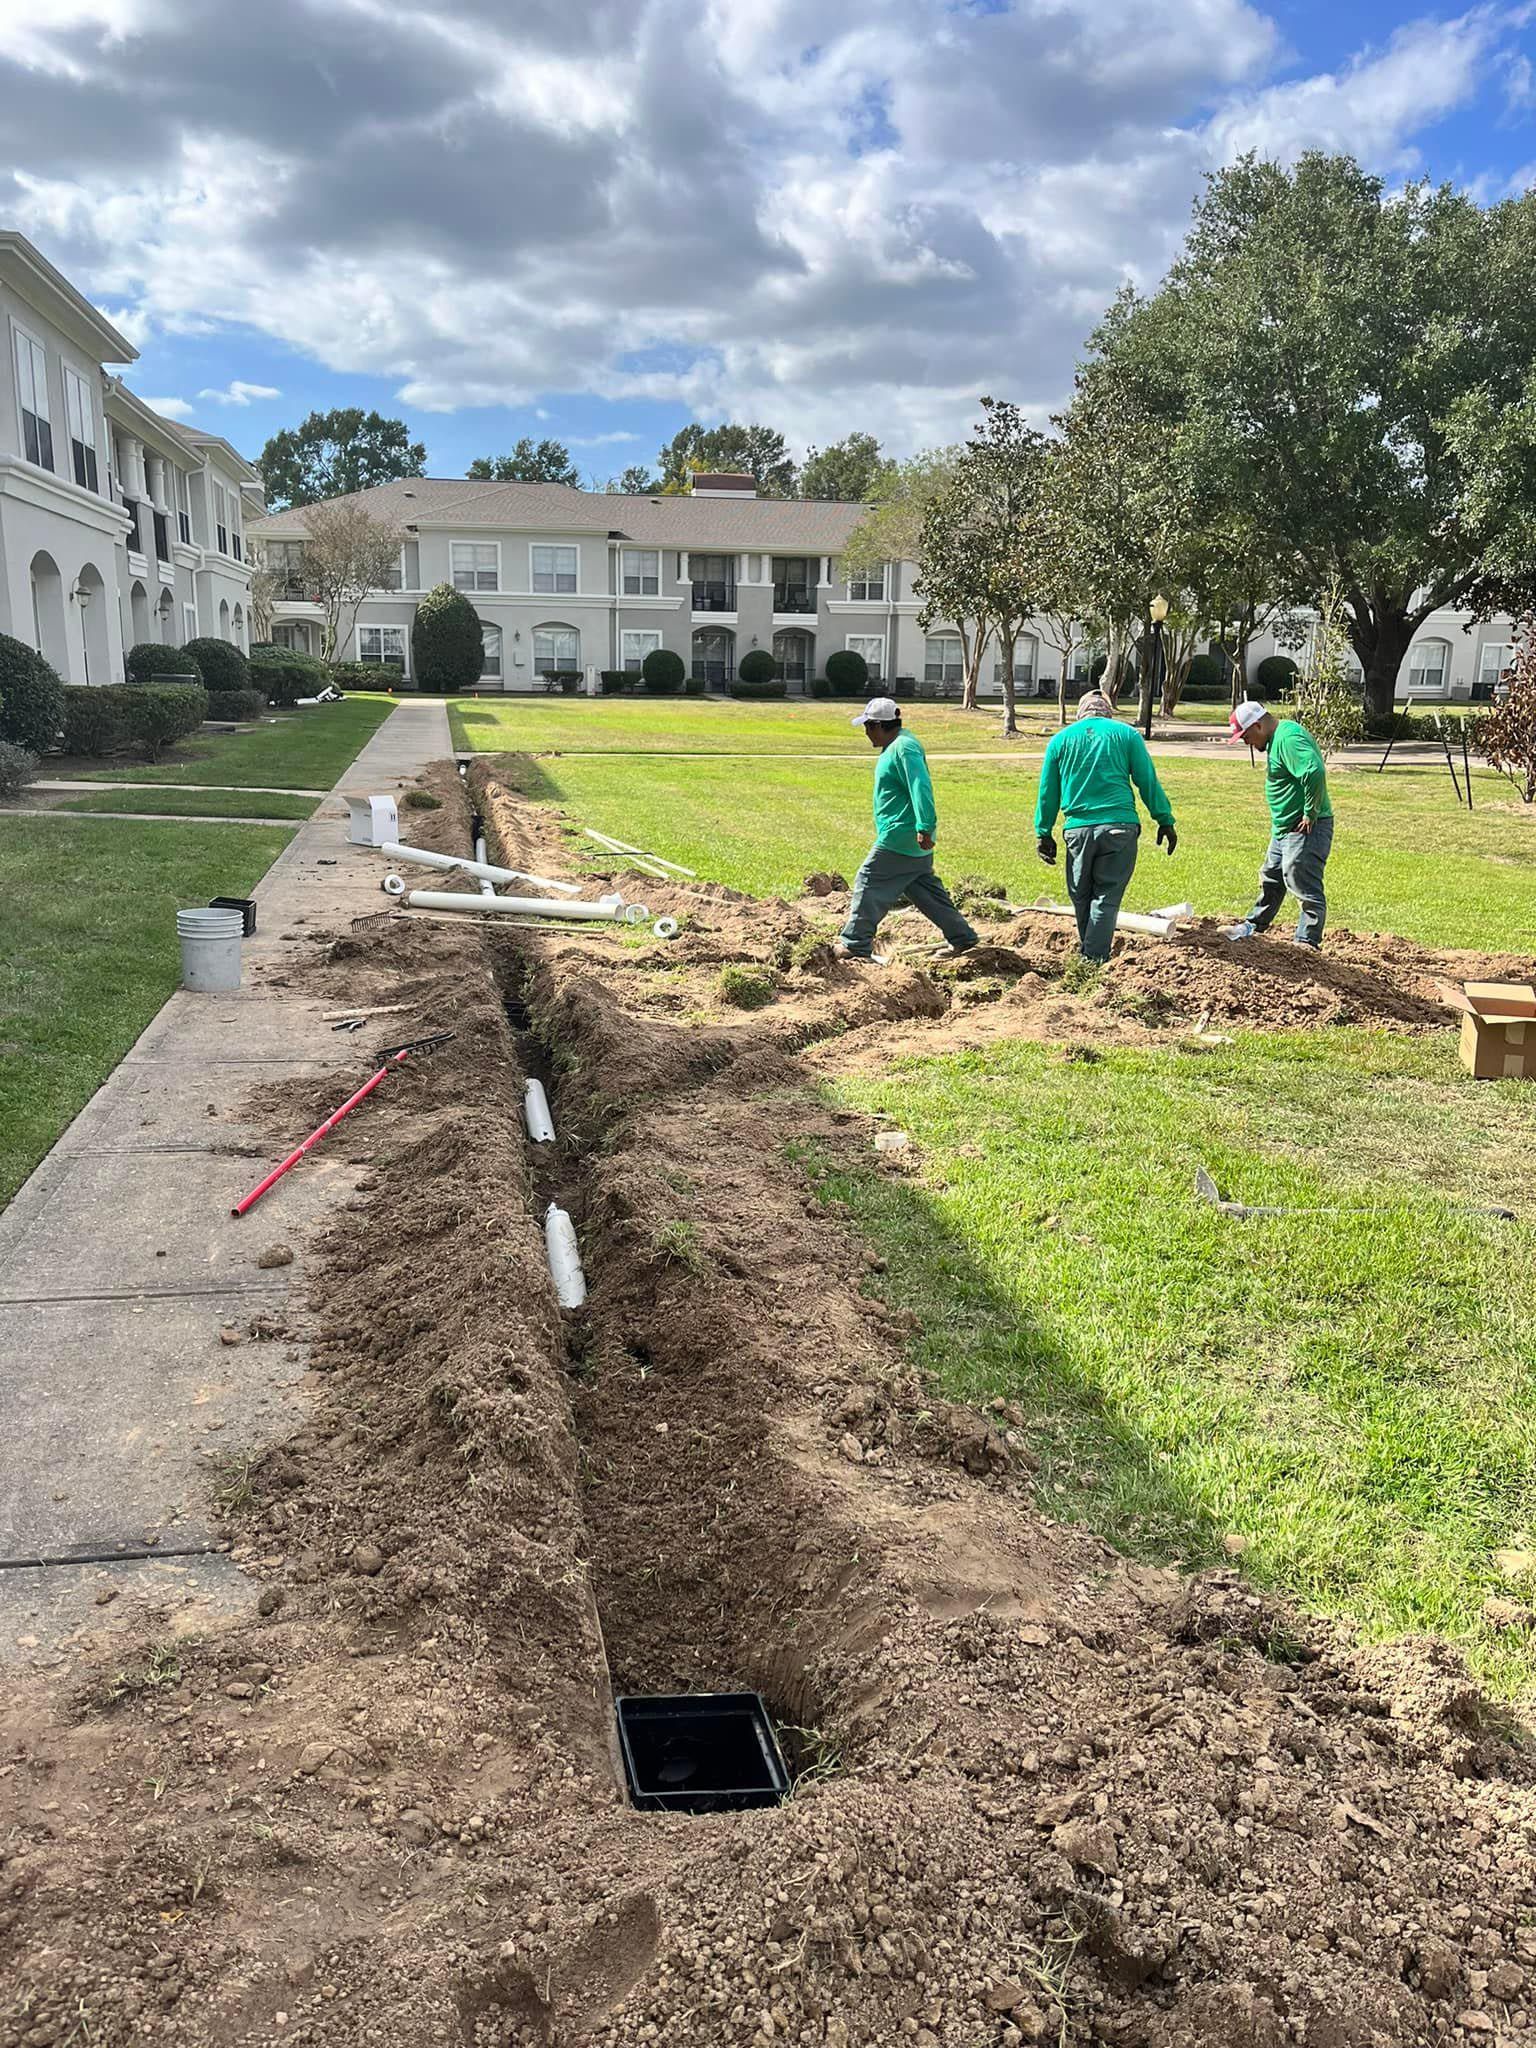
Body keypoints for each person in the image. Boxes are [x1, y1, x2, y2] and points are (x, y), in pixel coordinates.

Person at [1034, 690, 1177, 962]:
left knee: (1081, 895)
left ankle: (1090, 956)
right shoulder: (1127, 735)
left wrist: (1043, 832)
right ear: (1108, 712)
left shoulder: (1060, 740)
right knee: (1106, 897)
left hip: (1077, 829)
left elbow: (1047, 792)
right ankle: (1093, 957)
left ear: (1081, 713)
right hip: (1120, 828)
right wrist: (1164, 820)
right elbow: (1148, 781)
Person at [837, 697, 978, 960]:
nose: (866, 732)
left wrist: (925, 825)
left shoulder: (904, 747)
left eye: (868, 726)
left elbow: (920, 786)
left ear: (880, 725)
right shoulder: (896, 744)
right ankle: (962, 938)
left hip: (902, 833)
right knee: (922, 889)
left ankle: (855, 943)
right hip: (906, 834)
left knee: (868, 879)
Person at [1222, 699, 1334, 949]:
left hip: (1305, 826)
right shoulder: (1276, 738)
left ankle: (1307, 942)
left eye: (1245, 736)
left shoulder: (1288, 738)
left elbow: (1313, 771)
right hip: (1285, 827)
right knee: (1272, 875)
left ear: (1258, 725)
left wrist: (1310, 812)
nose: (1245, 742)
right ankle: (1255, 924)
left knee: (1301, 880)